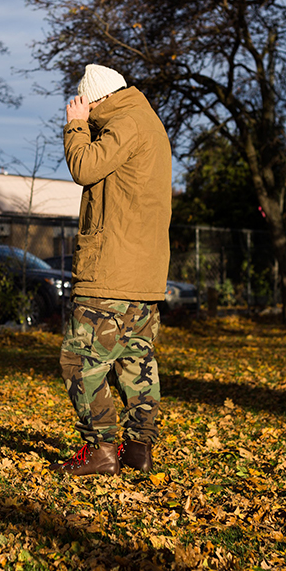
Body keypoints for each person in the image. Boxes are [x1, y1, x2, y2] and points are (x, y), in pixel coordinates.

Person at [49, 64, 172, 476]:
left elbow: (84, 167)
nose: (82, 109)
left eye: (86, 102)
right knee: (135, 362)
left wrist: (77, 126)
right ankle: (139, 450)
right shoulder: (148, 122)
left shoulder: (123, 123)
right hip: (143, 276)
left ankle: (101, 451)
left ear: (98, 98)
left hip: (111, 273)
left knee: (78, 360)